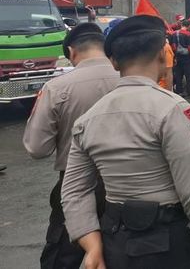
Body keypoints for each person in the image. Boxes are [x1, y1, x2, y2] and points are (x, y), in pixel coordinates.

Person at [61, 15, 190, 269]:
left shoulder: (88, 119)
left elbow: (74, 191)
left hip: (114, 242)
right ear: (162, 56)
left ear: (113, 62)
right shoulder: (172, 109)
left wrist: (91, 245)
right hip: (167, 244)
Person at [23, 23, 120, 269]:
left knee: (62, 258)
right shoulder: (128, 80)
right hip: (128, 185)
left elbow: (37, 148)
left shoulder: (57, 87)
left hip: (75, 184)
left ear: (71, 51)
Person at [172, 19, 190, 96]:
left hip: (177, 56)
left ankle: (179, 91)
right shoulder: (188, 34)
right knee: (189, 75)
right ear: (189, 25)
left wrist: (175, 57)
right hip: (187, 57)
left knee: (178, 75)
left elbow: (173, 46)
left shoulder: (175, 33)